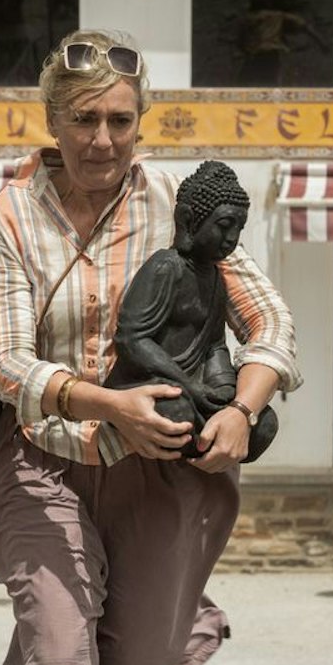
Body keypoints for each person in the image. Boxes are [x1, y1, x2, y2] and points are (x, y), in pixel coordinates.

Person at [0, 30, 301, 665]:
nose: (104, 139)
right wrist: (104, 401)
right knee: (60, 656)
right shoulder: (7, 214)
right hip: (47, 454)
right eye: (85, 120)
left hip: (158, 473)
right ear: (53, 122)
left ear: (140, 121)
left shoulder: (178, 201)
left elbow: (267, 317)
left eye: (121, 119)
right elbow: (3, 359)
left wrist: (241, 408)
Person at [103, 160, 280, 464]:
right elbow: (132, 339)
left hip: (193, 388)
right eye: (224, 226)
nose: (231, 239)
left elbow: (214, 344)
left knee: (263, 423)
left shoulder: (215, 278)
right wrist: (190, 386)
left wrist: (225, 389)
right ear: (188, 220)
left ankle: (207, 441)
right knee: (178, 413)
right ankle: (201, 440)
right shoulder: (166, 267)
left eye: (238, 229)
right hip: (148, 385)